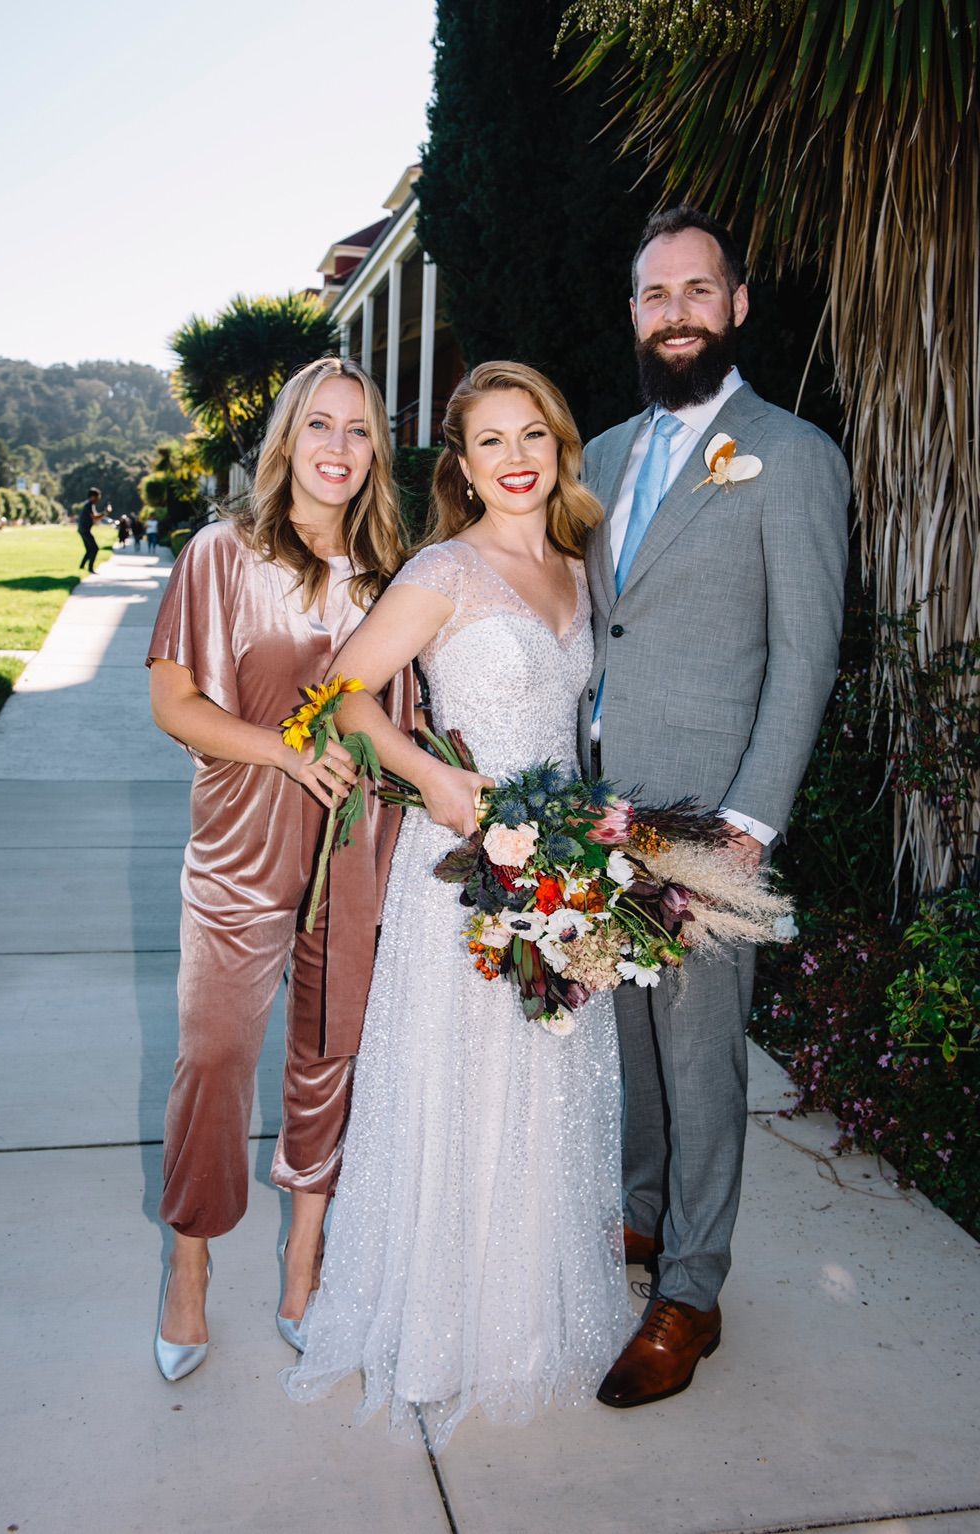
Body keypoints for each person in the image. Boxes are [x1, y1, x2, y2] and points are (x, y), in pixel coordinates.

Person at [282, 361, 635, 1450]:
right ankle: (434, 1325)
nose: (516, 458)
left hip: (560, 872)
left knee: (546, 1090)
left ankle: (527, 1309)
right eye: (491, 442)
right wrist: (430, 776)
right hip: (456, 876)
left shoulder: (582, 566)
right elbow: (338, 696)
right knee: (457, 1087)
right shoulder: (444, 567)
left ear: (559, 445)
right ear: (464, 467)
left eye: (532, 434)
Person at [580, 206, 849, 1409]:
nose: (676, 312)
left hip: (708, 829)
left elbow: (805, 652)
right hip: (594, 821)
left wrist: (750, 821)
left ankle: (690, 1295)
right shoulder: (591, 460)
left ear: (735, 306)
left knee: (698, 1059)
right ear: (632, 313)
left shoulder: (790, 456)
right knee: (627, 1044)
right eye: (655, 294)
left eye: (698, 290)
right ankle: (638, 1225)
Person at [146, 356, 411, 1382]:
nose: (339, 449)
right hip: (241, 848)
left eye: (359, 431)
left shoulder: (394, 575)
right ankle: (190, 1259)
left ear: (374, 452)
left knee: (327, 1062)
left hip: (355, 854)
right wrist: (286, 751)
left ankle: (304, 1266)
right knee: (213, 1055)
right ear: (288, 441)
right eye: (321, 427)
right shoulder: (222, 554)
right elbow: (174, 706)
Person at [77, 488, 101, 572]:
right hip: (84, 530)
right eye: (97, 496)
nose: (99, 498)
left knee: (89, 549)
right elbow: (94, 517)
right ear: (93, 497)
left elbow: (95, 517)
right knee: (95, 548)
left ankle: (82, 566)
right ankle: (90, 568)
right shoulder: (89, 505)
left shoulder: (90, 505)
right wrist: (105, 513)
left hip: (83, 530)